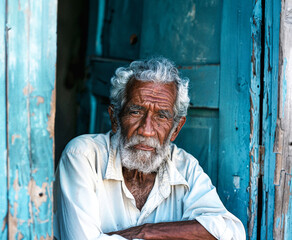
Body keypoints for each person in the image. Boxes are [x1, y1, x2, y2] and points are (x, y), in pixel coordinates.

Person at [53, 57, 246, 239]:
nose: (146, 130)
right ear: (115, 118)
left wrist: (147, 232)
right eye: (136, 112)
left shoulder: (185, 168)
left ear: (176, 129)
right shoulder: (83, 156)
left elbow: (232, 232)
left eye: (161, 116)